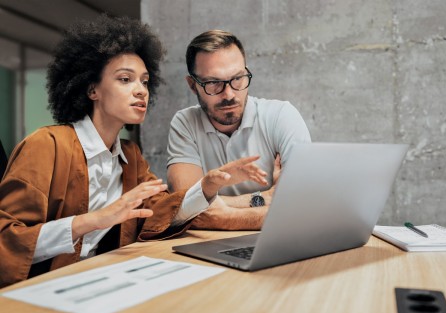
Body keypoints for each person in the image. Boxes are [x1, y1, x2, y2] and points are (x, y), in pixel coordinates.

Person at [0, 17, 268, 288]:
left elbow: (159, 213)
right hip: (43, 289)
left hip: (105, 280)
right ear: (92, 88)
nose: (141, 91)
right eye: (125, 79)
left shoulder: (130, 156)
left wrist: (207, 186)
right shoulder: (46, 145)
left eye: (144, 81)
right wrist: (90, 221)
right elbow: (7, 241)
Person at [167, 30, 311, 230]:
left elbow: (303, 207)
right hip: (207, 245)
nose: (229, 94)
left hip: (273, 241)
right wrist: (267, 197)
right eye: (213, 83)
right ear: (193, 85)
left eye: (237, 79)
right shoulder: (185, 123)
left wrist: (225, 216)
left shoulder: (281, 116)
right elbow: (183, 208)